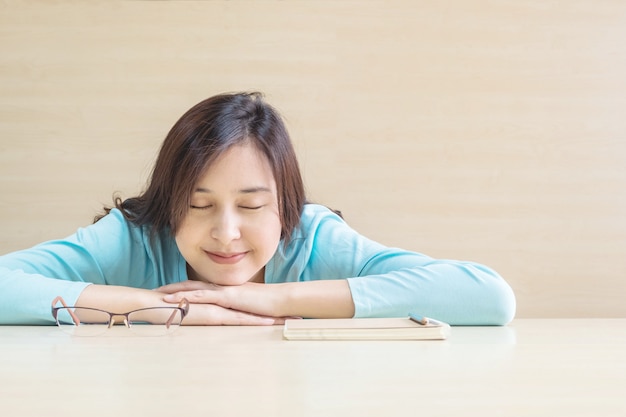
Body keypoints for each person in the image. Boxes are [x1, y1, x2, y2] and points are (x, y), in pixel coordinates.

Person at [0, 92, 516, 326]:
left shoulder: (311, 235)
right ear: (168, 203)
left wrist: (269, 299)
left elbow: (487, 296)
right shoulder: (134, 235)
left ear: (286, 206)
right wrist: (161, 308)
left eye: (251, 205)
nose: (226, 233)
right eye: (198, 205)